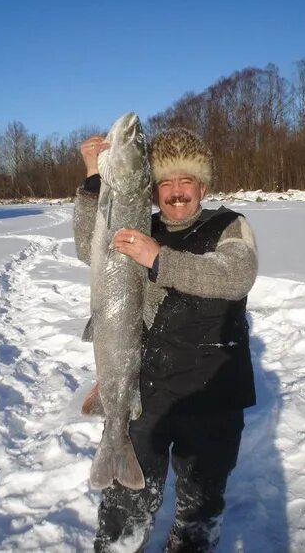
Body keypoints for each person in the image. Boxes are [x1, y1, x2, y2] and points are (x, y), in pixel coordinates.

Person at [74, 127, 258, 552]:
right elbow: (92, 251)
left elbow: (234, 275)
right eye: (166, 183)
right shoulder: (140, 224)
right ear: (154, 191)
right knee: (125, 509)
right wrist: (93, 181)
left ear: (203, 186)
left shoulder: (230, 226)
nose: (176, 192)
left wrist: (158, 258)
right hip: (147, 390)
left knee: (199, 509)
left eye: (186, 181)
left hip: (212, 395)